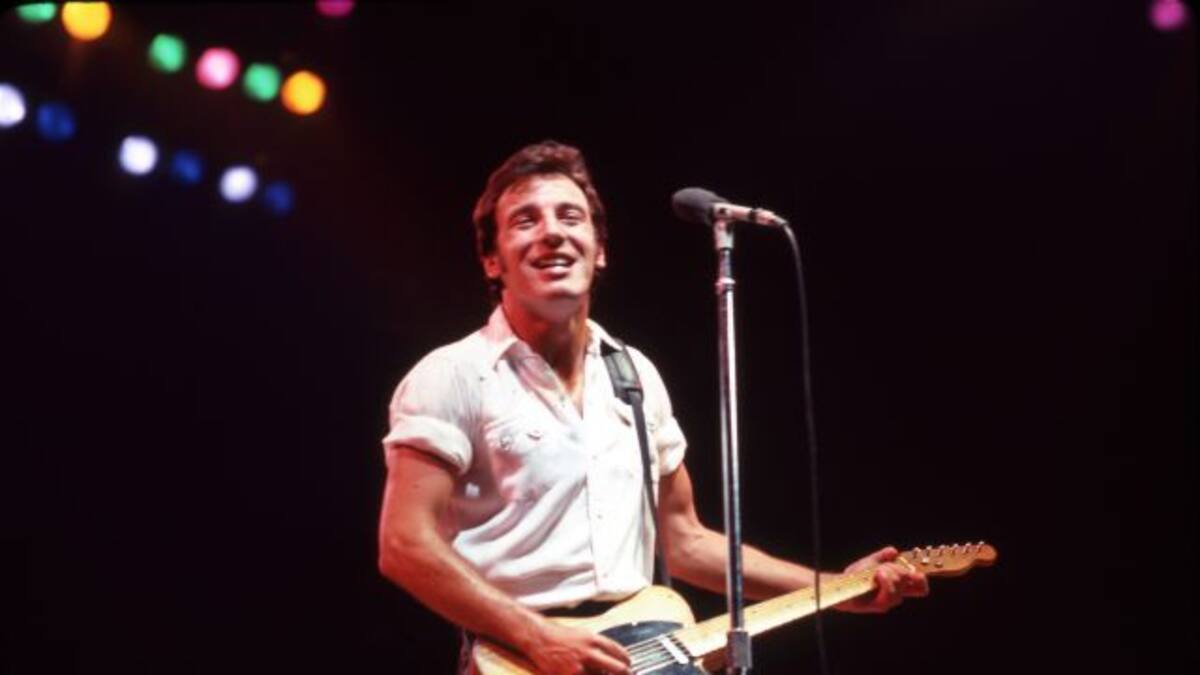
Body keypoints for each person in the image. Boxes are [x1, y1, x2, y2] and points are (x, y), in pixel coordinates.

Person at [377, 140, 928, 674]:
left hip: (642, 650)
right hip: (518, 656)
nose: (552, 232)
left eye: (570, 217)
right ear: (491, 260)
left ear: (600, 250)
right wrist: (537, 637)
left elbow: (684, 540)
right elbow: (403, 545)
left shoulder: (633, 375)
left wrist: (834, 589)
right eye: (526, 220)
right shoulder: (453, 375)